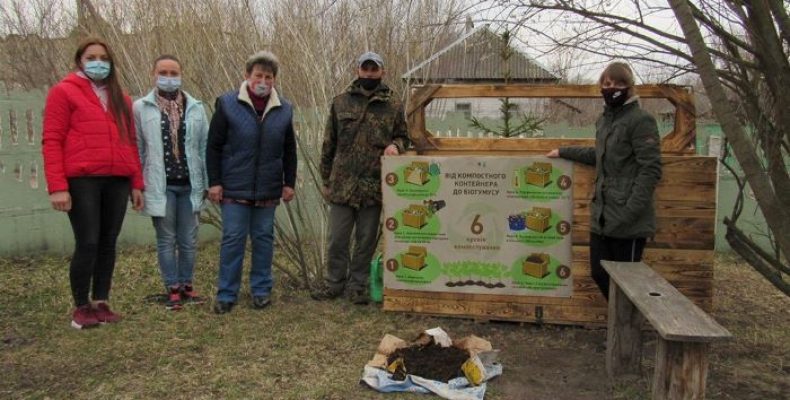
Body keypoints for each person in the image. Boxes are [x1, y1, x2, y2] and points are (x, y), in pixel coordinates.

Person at [42, 37, 144, 329]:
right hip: (83, 178)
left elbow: (131, 142)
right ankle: (81, 306)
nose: (98, 62)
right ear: (80, 61)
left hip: (117, 179)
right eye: (91, 57)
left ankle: (101, 301)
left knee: (108, 243)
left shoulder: (121, 99)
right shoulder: (63, 93)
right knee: (88, 241)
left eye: (103, 57)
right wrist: (57, 186)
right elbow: (52, 140)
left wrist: (137, 183)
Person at [547, 61, 662, 299]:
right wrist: (563, 151)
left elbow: (650, 169)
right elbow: (598, 155)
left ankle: (627, 333)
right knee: (599, 273)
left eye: (618, 83)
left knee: (629, 283)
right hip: (602, 216)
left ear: (629, 86)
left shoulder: (641, 120)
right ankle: (621, 328)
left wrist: (631, 211)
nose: (612, 88)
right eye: (607, 83)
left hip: (628, 220)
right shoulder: (604, 121)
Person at [312, 51, 409, 305]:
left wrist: (396, 147)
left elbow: (403, 137)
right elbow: (328, 144)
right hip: (342, 184)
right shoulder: (340, 102)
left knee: (365, 240)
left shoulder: (394, 106)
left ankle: (357, 286)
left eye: (373, 69)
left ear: (382, 72)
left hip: (373, 186)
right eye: (364, 69)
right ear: (357, 71)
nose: (369, 74)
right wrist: (325, 180)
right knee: (337, 239)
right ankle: (334, 284)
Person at [206, 51, 296, 314]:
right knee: (233, 239)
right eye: (258, 75)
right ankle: (226, 293)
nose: (263, 81)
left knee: (264, 240)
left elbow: (289, 149)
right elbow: (213, 147)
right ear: (247, 76)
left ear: (274, 80)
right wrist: (215, 182)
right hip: (234, 187)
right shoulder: (227, 104)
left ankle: (261, 290)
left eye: (268, 77)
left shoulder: (284, 109)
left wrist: (288, 182)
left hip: (268, 188)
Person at [134, 55, 209, 311]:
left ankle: (187, 285)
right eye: (163, 72)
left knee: (188, 239)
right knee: (166, 239)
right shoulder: (141, 108)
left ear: (181, 74)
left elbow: (204, 146)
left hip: (190, 184)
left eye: (173, 72)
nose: (169, 76)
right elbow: (139, 149)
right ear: (153, 75)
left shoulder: (196, 107)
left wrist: (208, 182)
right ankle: (172, 288)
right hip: (160, 186)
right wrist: (137, 185)